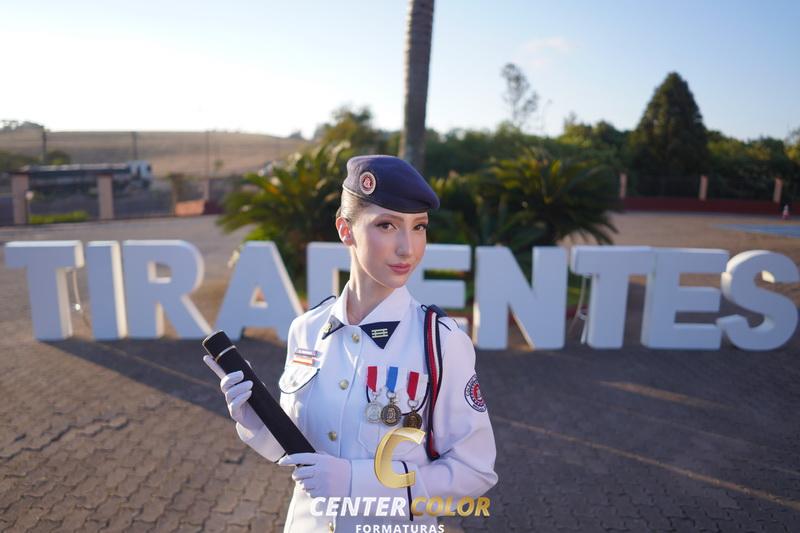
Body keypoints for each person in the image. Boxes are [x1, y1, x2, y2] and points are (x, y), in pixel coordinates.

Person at [204, 155, 498, 532]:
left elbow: (474, 472)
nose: (408, 248)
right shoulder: (307, 329)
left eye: (419, 227)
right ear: (346, 230)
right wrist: (256, 422)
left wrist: (358, 483)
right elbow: (300, 454)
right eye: (387, 225)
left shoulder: (441, 343)